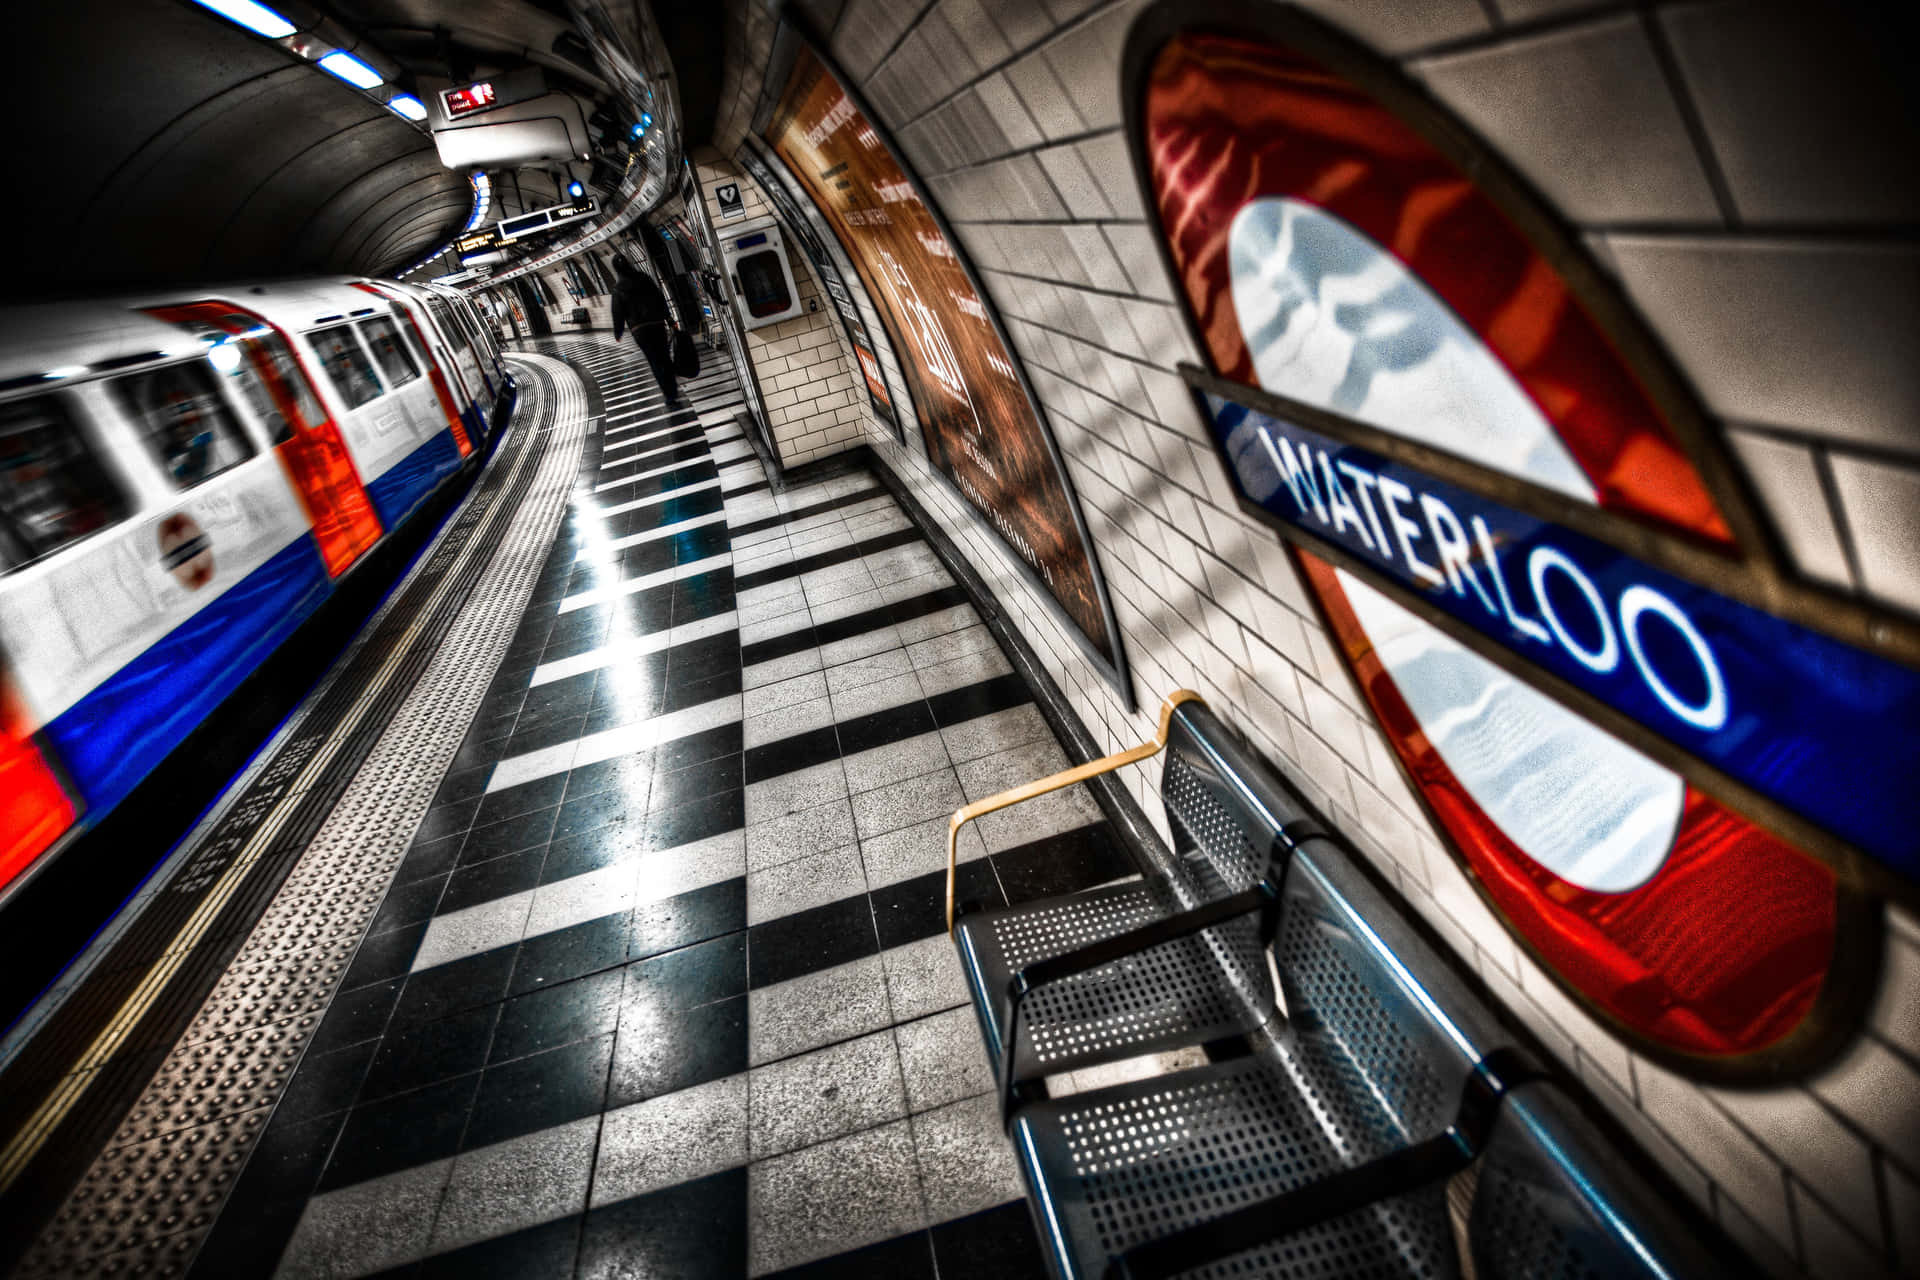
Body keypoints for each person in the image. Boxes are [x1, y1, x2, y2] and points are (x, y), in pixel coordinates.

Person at [609, 256, 680, 404]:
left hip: (640, 330)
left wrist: (618, 332)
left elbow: (618, 312)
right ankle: (673, 388)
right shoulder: (644, 278)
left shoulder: (618, 288)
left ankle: (669, 395)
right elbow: (659, 298)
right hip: (657, 324)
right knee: (665, 357)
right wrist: (669, 318)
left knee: (654, 361)